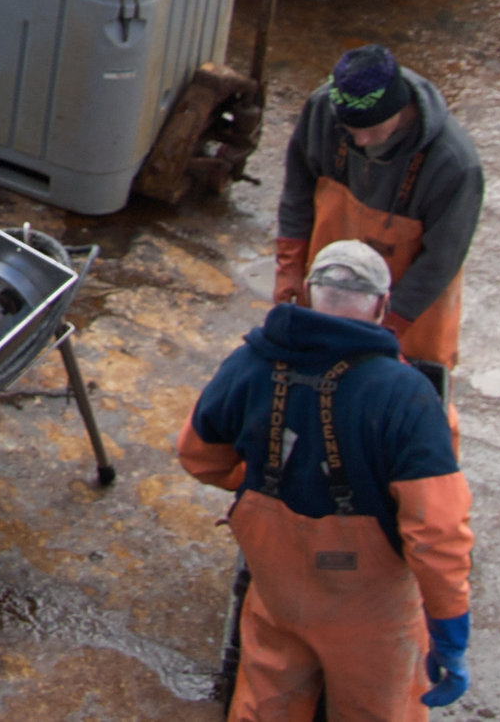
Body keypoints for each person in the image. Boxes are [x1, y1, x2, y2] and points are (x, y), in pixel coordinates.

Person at [178, 239, 473, 720]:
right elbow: (436, 530)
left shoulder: (250, 362)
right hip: (369, 617)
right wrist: (449, 626)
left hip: (276, 587)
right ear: (381, 306)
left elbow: (197, 455)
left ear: (311, 296)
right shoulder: (407, 395)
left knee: (265, 705)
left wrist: (256, 486)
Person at [273, 46, 484, 374]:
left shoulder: (455, 165)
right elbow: (296, 192)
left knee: (411, 387)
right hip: (335, 279)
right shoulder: (322, 111)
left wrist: (388, 326)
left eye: (370, 130)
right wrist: (289, 265)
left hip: (415, 298)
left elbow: (441, 259)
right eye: (349, 131)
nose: (358, 141)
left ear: (401, 110)